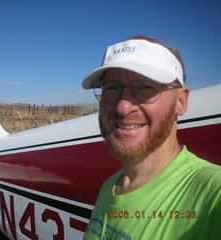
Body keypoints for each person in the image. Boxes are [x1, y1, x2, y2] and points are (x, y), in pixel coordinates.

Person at [82, 36, 221, 240]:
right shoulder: (109, 187)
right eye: (111, 88)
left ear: (181, 101)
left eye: (145, 87)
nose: (122, 107)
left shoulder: (211, 194)